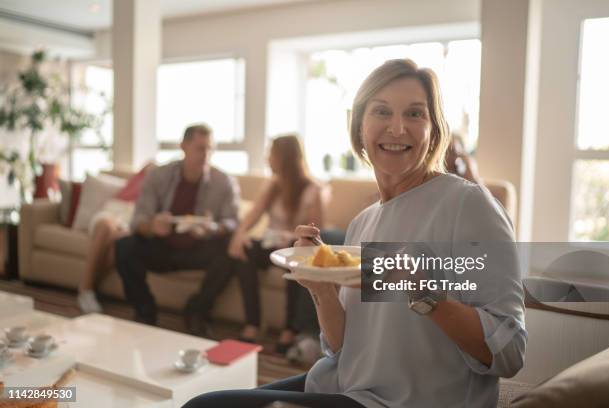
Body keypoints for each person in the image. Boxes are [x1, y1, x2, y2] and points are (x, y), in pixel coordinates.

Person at [183, 59, 526, 407]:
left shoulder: (468, 204)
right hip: (344, 384)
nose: (396, 128)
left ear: (434, 131)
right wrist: (321, 288)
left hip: (404, 402)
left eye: (414, 114)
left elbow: (510, 353)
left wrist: (425, 294)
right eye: (381, 112)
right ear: (359, 126)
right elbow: (342, 346)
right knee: (201, 404)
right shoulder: (363, 222)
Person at [115, 124, 240, 333]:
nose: (206, 155)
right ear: (183, 146)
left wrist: (213, 228)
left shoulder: (225, 182)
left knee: (230, 250)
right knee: (124, 246)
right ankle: (145, 311)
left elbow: (233, 221)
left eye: (210, 149)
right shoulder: (158, 175)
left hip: (199, 248)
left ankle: (197, 309)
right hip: (162, 247)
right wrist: (153, 226)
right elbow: (138, 221)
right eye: (200, 148)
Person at [225, 134, 324, 351]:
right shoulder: (272, 186)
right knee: (245, 253)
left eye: (271, 153)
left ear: (284, 158)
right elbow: (253, 215)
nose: (267, 158)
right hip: (271, 244)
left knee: (295, 262)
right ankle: (253, 323)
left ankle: (289, 329)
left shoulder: (312, 189)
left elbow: (316, 231)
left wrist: (292, 238)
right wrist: (239, 235)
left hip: (294, 246)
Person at [77, 206, 130, 313]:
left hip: (127, 226)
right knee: (105, 226)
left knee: (115, 247)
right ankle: (85, 289)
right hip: (108, 216)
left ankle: (89, 289)